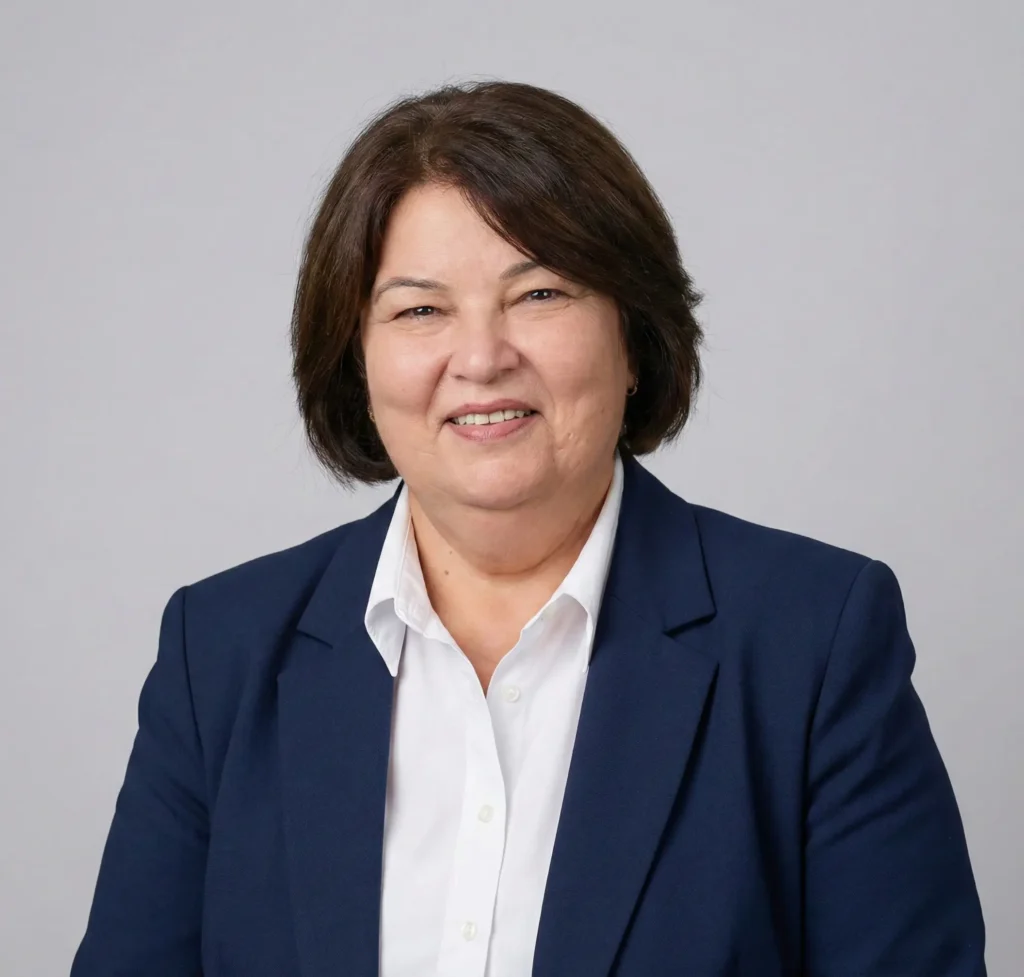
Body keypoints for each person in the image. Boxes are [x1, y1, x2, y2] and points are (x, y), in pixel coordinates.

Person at [71, 79, 986, 977]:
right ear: (357, 363)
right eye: (420, 309)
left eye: (540, 293)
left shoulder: (812, 640)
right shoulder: (219, 652)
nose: (481, 358)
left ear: (635, 337)